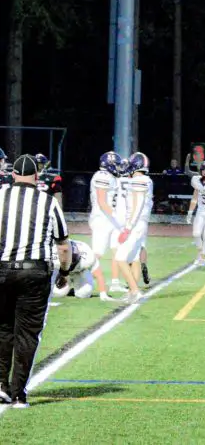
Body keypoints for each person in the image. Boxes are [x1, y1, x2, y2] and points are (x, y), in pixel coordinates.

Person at [0, 154, 72, 408]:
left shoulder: (1, 195)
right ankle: (19, 393)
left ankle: (1, 386)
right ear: (36, 176)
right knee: (28, 334)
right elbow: (63, 245)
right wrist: (64, 273)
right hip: (34, 272)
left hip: (2, 269)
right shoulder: (48, 202)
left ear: (12, 174)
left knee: (3, 329)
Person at [113, 152, 154, 304]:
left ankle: (135, 291)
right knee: (134, 258)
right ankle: (132, 291)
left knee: (120, 258)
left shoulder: (140, 180)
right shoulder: (144, 180)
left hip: (135, 224)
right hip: (140, 224)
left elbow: (138, 205)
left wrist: (128, 227)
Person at [89, 152, 126, 295]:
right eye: (116, 165)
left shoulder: (111, 177)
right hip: (102, 218)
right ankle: (73, 276)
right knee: (97, 253)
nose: (118, 168)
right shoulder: (102, 176)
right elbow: (102, 201)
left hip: (110, 219)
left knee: (117, 249)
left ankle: (115, 282)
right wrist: (117, 217)